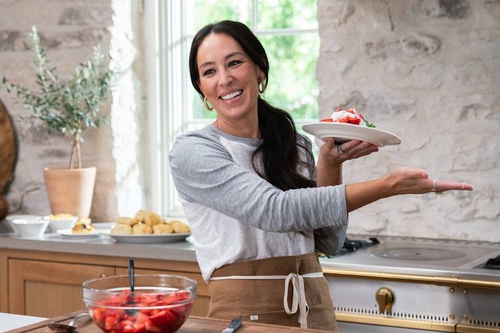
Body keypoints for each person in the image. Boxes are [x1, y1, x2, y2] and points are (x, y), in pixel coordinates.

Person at [168, 20, 473, 331]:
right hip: (246, 315)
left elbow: (328, 241)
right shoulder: (194, 151)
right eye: (209, 71)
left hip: (314, 308)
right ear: (202, 90)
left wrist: (330, 164)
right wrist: (387, 186)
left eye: (234, 63)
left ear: (259, 69)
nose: (225, 79)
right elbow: (274, 210)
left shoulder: (292, 143)